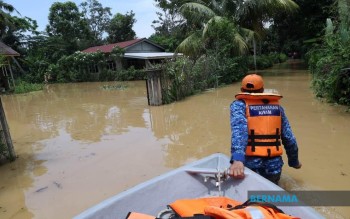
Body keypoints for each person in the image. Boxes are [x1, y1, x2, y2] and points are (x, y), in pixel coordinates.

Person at [228, 74, 302, 184]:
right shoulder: (277, 107)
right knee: (269, 197)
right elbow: (289, 137)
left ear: (242, 90)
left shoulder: (239, 105)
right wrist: (294, 161)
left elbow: (239, 131)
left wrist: (238, 158)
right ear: (262, 90)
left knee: (250, 198)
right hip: (274, 167)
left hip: (251, 166)